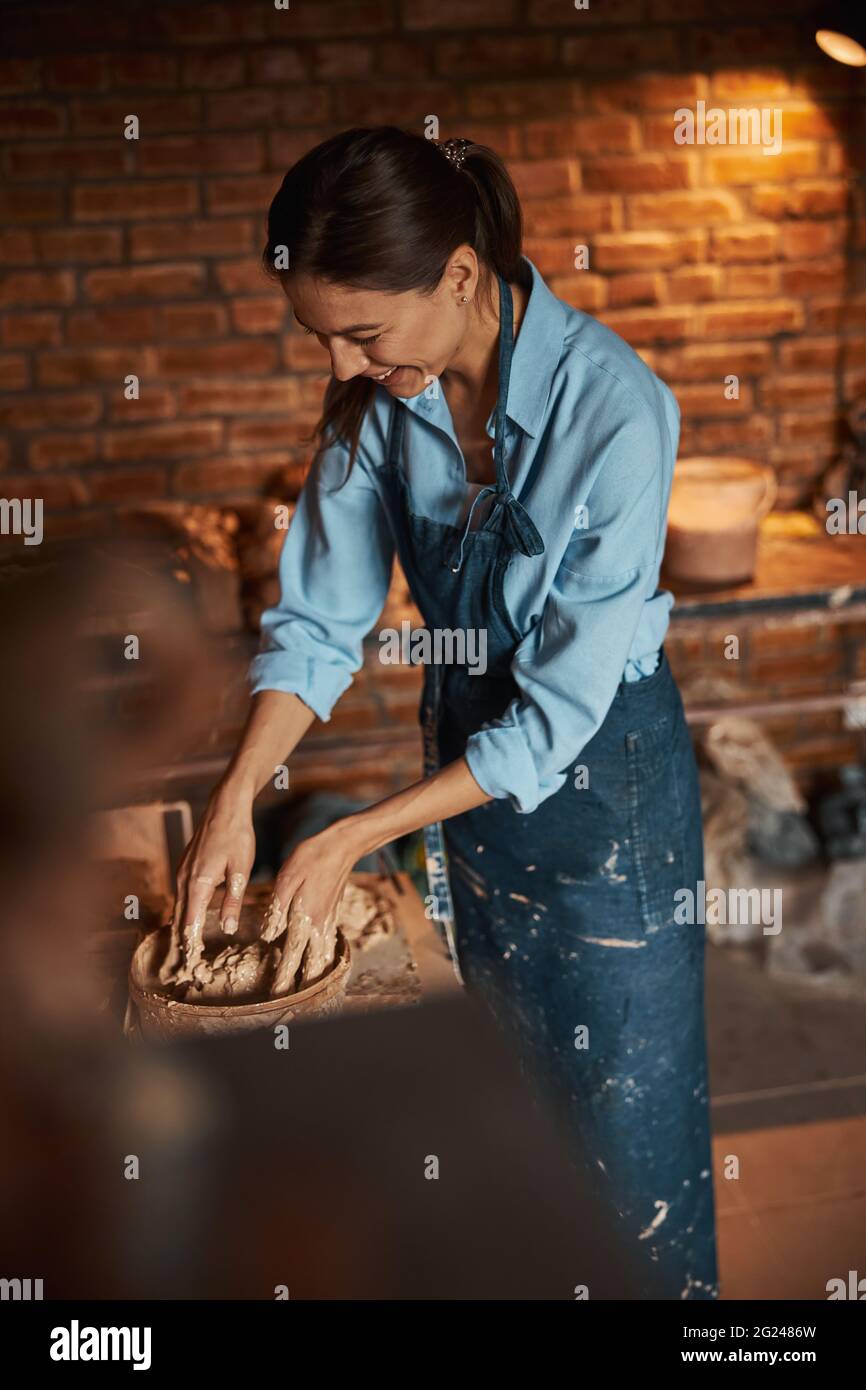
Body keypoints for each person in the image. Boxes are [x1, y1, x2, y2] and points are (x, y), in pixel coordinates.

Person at [171, 126, 719, 1300]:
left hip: (603, 791)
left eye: (362, 333)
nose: (340, 366)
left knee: (625, 1151)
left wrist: (350, 832)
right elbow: (318, 624)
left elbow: (560, 708)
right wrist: (238, 798)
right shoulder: (381, 404)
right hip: (468, 778)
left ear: (459, 277)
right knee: (508, 1117)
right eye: (320, 338)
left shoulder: (613, 410)